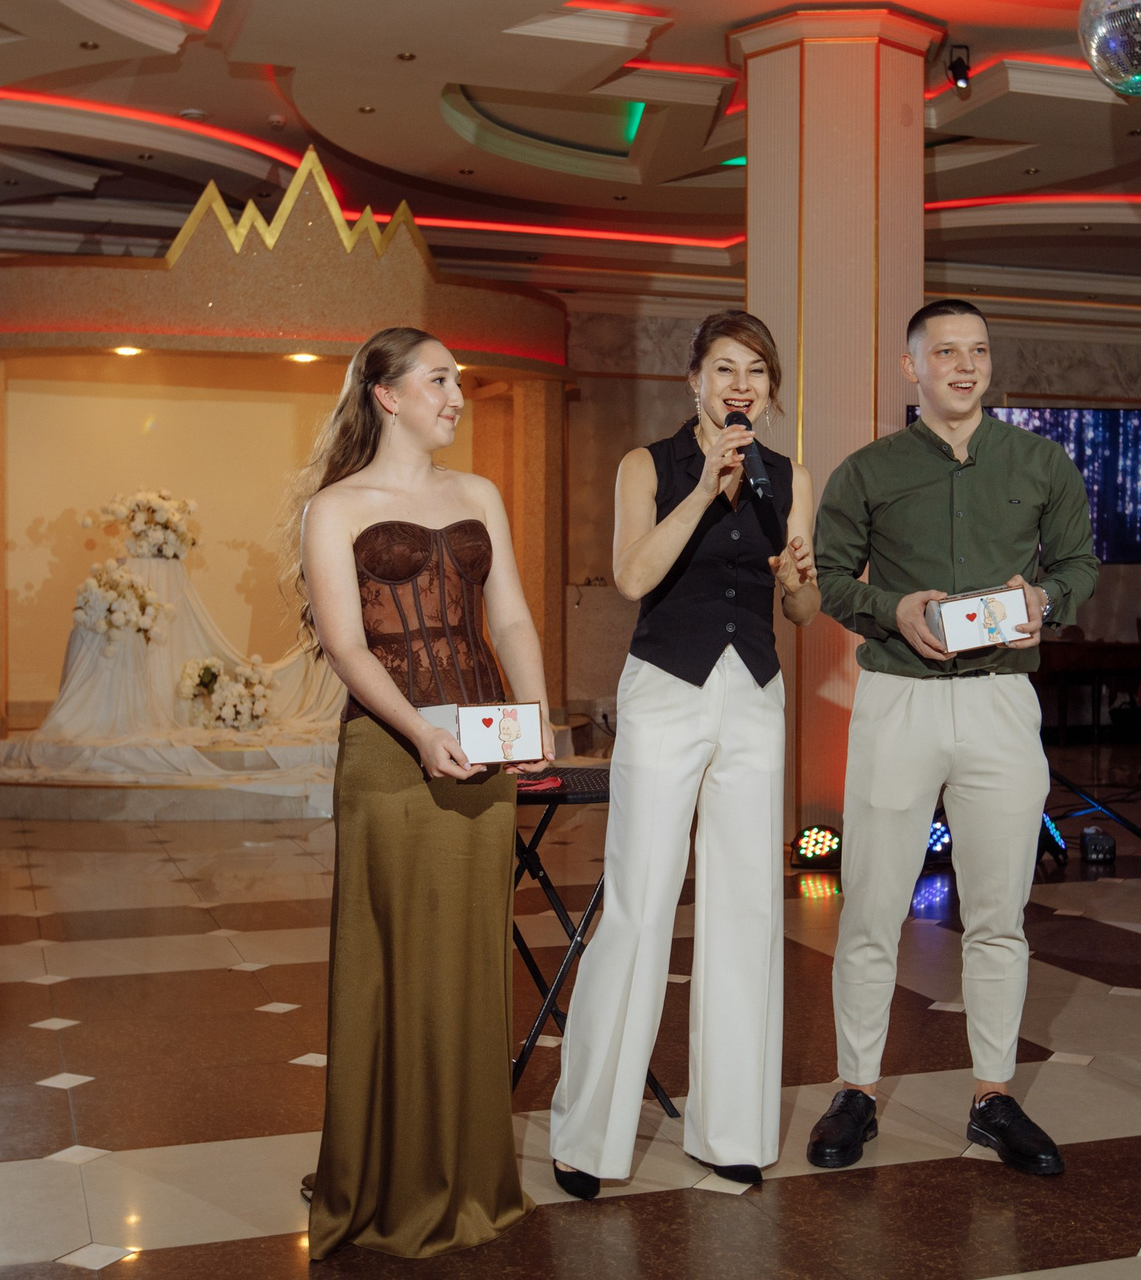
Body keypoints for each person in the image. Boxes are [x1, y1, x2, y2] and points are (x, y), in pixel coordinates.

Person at [808, 298, 1098, 1175]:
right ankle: (855, 1091)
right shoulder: (868, 470)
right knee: (871, 908)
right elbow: (830, 579)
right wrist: (891, 607)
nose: (964, 366)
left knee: (999, 916)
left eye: (977, 350)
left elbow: (1078, 566)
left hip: (1002, 700)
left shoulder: (1042, 463)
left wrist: (1045, 600)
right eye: (945, 352)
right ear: (913, 367)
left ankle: (993, 1097)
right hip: (898, 698)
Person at [292, 326, 553, 1259]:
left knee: (472, 964)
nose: (456, 397)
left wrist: (534, 716)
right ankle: (390, 1184)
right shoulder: (335, 507)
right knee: (394, 962)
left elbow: (510, 616)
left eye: (458, 381)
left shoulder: (478, 494)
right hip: (391, 752)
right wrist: (419, 732)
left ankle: (472, 1178)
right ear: (387, 394)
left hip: (482, 748)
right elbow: (346, 646)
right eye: (439, 380)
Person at [549, 310, 819, 1198]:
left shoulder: (789, 476)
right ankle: (588, 1137)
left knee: (746, 905)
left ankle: (731, 1128)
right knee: (640, 901)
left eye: (757, 372)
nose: (741, 385)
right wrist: (705, 489)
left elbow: (802, 609)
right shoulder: (650, 465)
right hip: (666, 689)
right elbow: (632, 576)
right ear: (695, 381)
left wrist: (801, 581)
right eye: (725, 368)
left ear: (770, 391)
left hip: (756, 696)